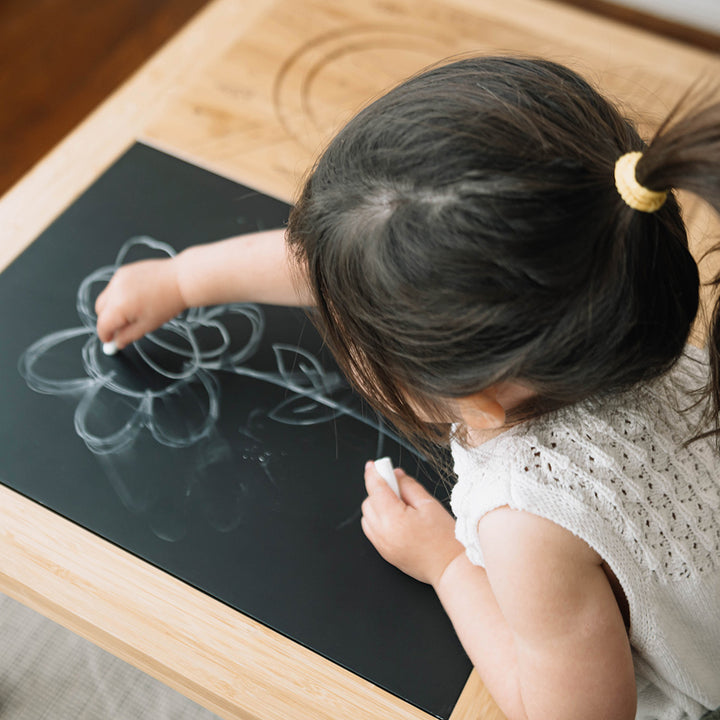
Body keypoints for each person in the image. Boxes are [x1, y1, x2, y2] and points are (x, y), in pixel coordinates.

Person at [95, 57, 720, 720]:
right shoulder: (608, 305)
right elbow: (351, 267)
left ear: (475, 395)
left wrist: (449, 565)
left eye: (356, 335)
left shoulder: (528, 524)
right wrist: (185, 279)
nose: (338, 328)